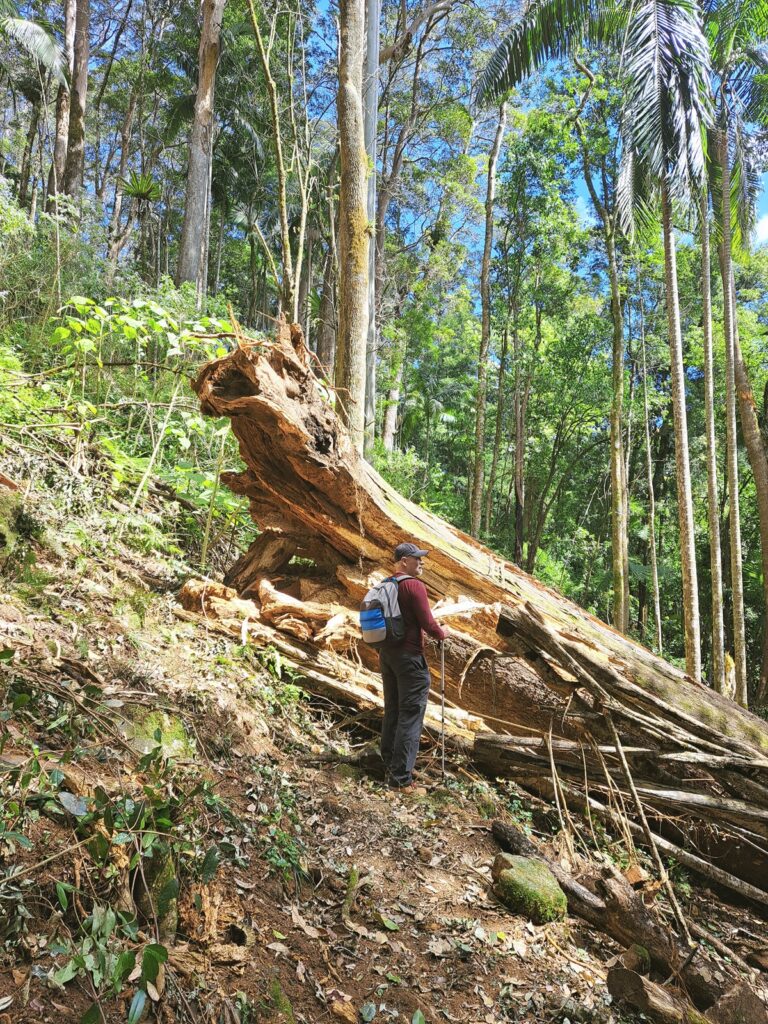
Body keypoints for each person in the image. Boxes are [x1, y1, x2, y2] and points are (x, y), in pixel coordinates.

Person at [379, 542, 447, 793]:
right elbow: (429, 624)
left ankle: (388, 765)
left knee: (393, 711)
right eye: (417, 558)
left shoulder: (386, 584)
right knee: (410, 715)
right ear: (404, 561)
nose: (422, 562)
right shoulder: (413, 585)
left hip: (387, 656)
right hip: (410, 659)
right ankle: (400, 780)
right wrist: (443, 633)